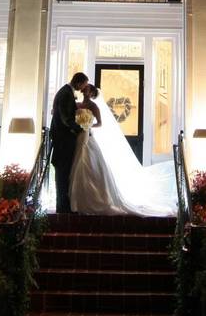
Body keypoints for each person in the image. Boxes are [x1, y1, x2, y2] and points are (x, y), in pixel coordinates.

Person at [69, 84, 175, 217]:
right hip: (79, 137)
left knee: (88, 164)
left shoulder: (94, 106)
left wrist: (88, 125)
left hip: (88, 135)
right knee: (78, 163)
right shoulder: (77, 104)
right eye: (84, 88)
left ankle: (95, 199)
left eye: (87, 89)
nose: (84, 90)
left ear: (91, 93)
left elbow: (100, 123)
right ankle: (78, 199)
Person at [50, 72, 88, 213]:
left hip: (62, 138)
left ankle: (63, 205)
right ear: (78, 82)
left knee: (64, 172)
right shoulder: (66, 93)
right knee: (63, 172)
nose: (84, 87)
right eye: (84, 84)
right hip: (63, 139)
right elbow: (66, 118)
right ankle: (63, 206)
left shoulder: (65, 91)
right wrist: (80, 129)